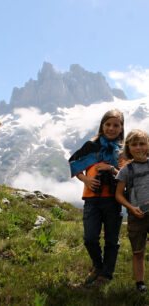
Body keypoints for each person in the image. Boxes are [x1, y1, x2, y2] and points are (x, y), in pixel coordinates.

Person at [69, 109, 124, 286]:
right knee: (90, 237)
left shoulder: (123, 151)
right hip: (91, 199)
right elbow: (74, 162)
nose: (111, 128)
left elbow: (128, 174)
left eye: (116, 125)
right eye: (108, 124)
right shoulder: (91, 146)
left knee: (111, 240)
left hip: (113, 200)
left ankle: (105, 275)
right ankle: (98, 265)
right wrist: (86, 180)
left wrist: (111, 169)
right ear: (102, 126)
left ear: (121, 128)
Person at [115, 129, 149, 293]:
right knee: (138, 251)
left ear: (148, 146)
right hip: (136, 216)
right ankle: (140, 284)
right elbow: (119, 195)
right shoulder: (126, 170)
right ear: (128, 148)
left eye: (142, 143)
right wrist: (131, 208)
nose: (139, 147)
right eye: (134, 144)